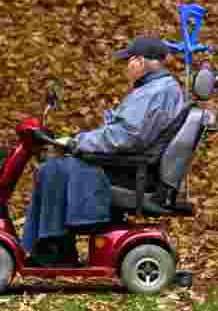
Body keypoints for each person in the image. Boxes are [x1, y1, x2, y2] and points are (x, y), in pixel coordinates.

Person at [22, 35, 186, 266]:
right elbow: (128, 132)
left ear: (139, 61)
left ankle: (53, 249)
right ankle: (56, 247)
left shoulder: (154, 92)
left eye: (128, 61)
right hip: (134, 163)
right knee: (58, 167)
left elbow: (126, 136)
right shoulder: (159, 88)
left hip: (131, 170)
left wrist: (76, 142)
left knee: (53, 169)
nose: (126, 68)